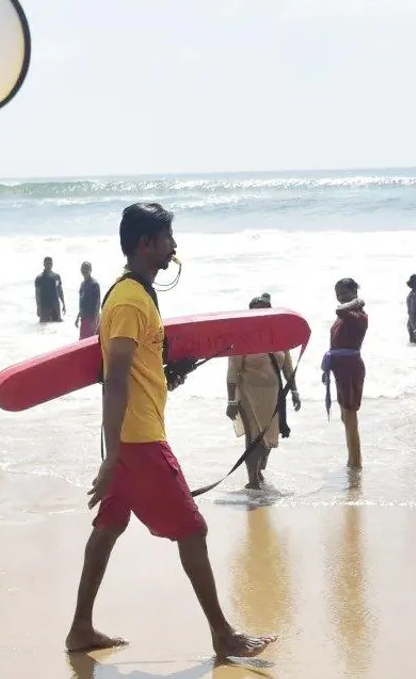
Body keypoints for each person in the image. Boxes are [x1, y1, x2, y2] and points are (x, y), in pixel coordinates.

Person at [66, 202, 272, 659]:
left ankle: (80, 627)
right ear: (145, 244)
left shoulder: (139, 295)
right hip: (137, 441)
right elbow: (114, 378)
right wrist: (113, 455)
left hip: (132, 436)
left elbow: (135, 368)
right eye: (167, 239)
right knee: (192, 530)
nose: (173, 247)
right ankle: (223, 634)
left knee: (109, 527)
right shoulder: (127, 301)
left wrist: (166, 373)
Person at [225, 294, 301, 490]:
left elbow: (288, 367)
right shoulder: (241, 338)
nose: (260, 314)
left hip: (273, 397)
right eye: (256, 311)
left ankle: (259, 470)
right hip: (249, 396)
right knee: (254, 438)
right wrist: (231, 401)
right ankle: (252, 481)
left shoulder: (278, 336)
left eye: (264, 310)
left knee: (268, 439)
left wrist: (294, 391)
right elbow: (232, 371)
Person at [321, 278, 367, 471]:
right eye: (338, 294)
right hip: (340, 368)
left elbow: (340, 310)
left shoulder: (358, 315)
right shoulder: (344, 317)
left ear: (354, 292)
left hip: (351, 369)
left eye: (344, 293)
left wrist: (358, 301)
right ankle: (352, 459)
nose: (340, 298)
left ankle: (355, 463)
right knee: (344, 416)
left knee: (350, 417)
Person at [35, 256, 66, 322]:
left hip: (55, 306)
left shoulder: (56, 276)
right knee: (44, 326)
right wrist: (38, 308)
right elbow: (37, 294)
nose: (48, 265)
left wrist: (63, 304)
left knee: (57, 325)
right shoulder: (39, 278)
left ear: (52, 264)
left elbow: (60, 290)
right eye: (47, 263)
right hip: (44, 306)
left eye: (50, 263)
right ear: (44, 264)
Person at [77, 261, 101, 339]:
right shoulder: (82, 284)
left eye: (87, 268)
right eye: (83, 268)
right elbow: (81, 302)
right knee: (82, 342)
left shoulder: (94, 284)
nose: (84, 270)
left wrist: (95, 320)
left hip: (91, 318)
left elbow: (98, 302)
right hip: (84, 318)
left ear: (90, 269)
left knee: (90, 342)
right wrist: (77, 317)